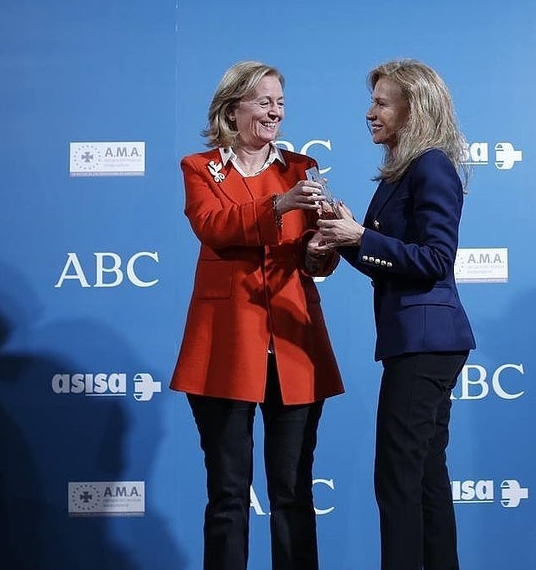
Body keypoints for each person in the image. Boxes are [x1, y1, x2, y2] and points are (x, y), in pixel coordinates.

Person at [170, 61, 343, 570]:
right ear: (232, 109)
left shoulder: (302, 167)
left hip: (293, 347)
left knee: (293, 491)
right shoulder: (200, 168)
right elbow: (213, 226)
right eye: (263, 101)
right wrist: (278, 205)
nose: (275, 112)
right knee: (228, 494)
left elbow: (314, 255)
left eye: (280, 102)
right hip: (223, 350)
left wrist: (319, 251)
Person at [316, 59, 476, 570]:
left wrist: (361, 236)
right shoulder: (402, 172)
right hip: (420, 340)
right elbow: (387, 261)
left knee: (399, 478)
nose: (370, 113)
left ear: (414, 109)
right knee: (424, 475)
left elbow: (435, 259)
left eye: (382, 103)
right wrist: (346, 236)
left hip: (427, 340)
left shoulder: (431, 166)